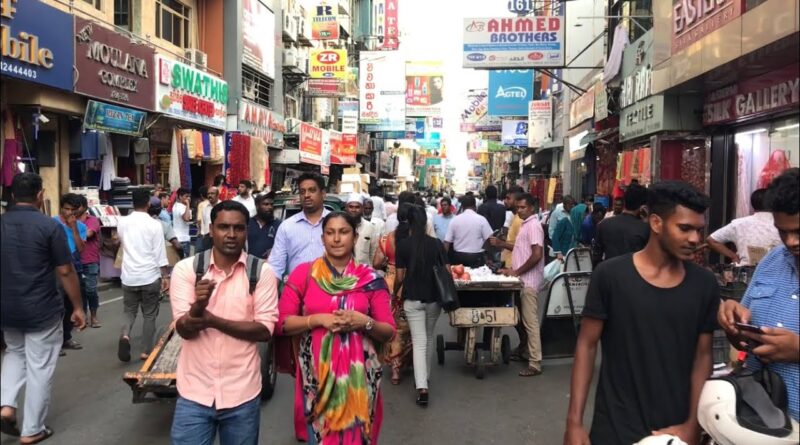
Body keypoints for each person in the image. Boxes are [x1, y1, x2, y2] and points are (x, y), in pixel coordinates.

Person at [564, 181, 720, 445]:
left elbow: (702, 357)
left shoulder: (705, 284)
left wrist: (692, 425)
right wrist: (574, 422)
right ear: (656, 223)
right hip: (614, 426)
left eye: (699, 230)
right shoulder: (610, 276)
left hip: (674, 432)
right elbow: (587, 345)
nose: (695, 239)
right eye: (684, 228)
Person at [277, 212, 396, 444]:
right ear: (322, 239)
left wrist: (364, 322)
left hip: (359, 381)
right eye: (330, 233)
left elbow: (388, 331)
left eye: (343, 232)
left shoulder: (370, 279)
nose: (336, 239)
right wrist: (317, 320)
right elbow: (281, 323)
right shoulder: (304, 274)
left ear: (355, 237)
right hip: (317, 378)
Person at [169, 200, 279, 445]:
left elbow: (264, 330)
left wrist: (211, 320)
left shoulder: (261, 272)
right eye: (224, 227)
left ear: (246, 231)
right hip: (194, 393)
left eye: (238, 228)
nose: (231, 235)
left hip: (242, 393)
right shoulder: (187, 270)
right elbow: (184, 330)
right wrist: (198, 306)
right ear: (211, 229)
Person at [1, 173, 87, 444]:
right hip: (41, 308)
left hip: (7, 308)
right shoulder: (49, 227)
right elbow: (65, 270)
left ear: (13, 195)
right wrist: (77, 307)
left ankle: (6, 406)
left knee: (15, 353)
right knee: (39, 366)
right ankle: (32, 430)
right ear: (40, 196)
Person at [717, 168, 799, 422]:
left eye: (799, 231)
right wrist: (734, 325)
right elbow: (744, 340)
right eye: (782, 232)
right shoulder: (772, 262)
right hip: (761, 418)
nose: (791, 241)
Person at [394, 205, 446, 405]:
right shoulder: (436, 244)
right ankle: (426, 377)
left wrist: (394, 292)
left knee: (419, 341)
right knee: (429, 337)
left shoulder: (404, 245)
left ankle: (422, 386)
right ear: (426, 223)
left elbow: (399, 276)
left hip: (412, 299)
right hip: (434, 299)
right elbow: (447, 270)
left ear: (408, 223)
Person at [117, 189, 170, 362]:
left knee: (129, 311)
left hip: (129, 275)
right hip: (149, 275)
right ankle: (146, 351)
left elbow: (123, 243)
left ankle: (125, 335)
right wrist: (166, 276)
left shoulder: (122, 222)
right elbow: (160, 253)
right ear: (148, 203)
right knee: (149, 314)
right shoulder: (154, 224)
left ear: (132, 203)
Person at [499, 194, 545, 377]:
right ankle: (525, 351)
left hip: (529, 281)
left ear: (532, 208)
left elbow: (537, 254)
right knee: (522, 319)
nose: (519, 210)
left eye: (523, 207)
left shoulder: (534, 226)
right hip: (521, 280)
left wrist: (517, 272)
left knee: (530, 322)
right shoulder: (526, 224)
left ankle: (535, 363)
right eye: (518, 207)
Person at [373, 204, 412, 386]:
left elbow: (376, 263)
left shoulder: (387, 239)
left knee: (393, 326)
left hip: (389, 286)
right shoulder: (415, 239)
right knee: (409, 327)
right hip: (412, 285)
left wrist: (388, 265)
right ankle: (407, 361)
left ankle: (395, 369)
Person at [269, 173, 330, 280]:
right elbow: (275, 267)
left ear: (323, 194)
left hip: (331, 291)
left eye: (312, 190)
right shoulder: (287, 227)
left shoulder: (335, 223)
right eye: (302, 191)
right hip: (296, 293)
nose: (306, 195)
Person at [706, 188, 782, 266]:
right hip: (777, 273)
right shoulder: (783, 225)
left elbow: (711, 240)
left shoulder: (738, 224)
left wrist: (733, 256)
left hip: (744, 273)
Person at [54, 193, 87, 352]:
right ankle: (55, 341)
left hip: (74, 267)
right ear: (62, 208)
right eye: (66, 209)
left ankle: (66, 337)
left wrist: (73, 228)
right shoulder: (52, 222)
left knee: (69, 305)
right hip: (56, 269)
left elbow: (81, 248)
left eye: (73, 210)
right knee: (57, 306)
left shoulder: (80, 226)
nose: (69, 213)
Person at [593, 183, 650, 264]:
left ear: (624, 201)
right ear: (643, 206)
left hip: (609, 273)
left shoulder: (604, 225)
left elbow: (596, 257)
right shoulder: (645, 229)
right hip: (633, 274)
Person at [444, 195, 493, 267]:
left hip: (458, 257)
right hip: (477, 258)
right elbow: (489, 239)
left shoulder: (455, 220)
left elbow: (447, 242)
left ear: (462, 207)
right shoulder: (481, 219)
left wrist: (444, 260)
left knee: (460, 277)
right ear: (475, 206)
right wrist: (489, 258)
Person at [77, 195, 102, 328]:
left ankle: (93, 316)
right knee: (80, 291)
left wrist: (72, 230)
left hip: (90, 260)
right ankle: (83, 316)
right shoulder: (70, 221)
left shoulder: (92, 220)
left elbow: (88, 234)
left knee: (90, 290)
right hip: (75, 260)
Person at [345, 194, 380, 266]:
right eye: (351, 207)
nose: (354, 210)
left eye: (357, 207)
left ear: (362, 208)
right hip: (344, 272)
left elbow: (373, 252)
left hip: (364, 271)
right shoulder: (340, 225)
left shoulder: (370, 227)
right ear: (346, 208)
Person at [148, 197, 183, 268]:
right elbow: (177, 245)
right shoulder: (163, 225)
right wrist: (182, 258)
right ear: (160, 210)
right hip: (159, 266)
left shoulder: (137, 224)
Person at [247, 192, 282, 260]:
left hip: (270, 267)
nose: (270, 207)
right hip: (249, 266)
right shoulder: (248, 223)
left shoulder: (279, 225)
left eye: (271, 204)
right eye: (266, 204)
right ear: (257, 206)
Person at [196, 186, 219, 253]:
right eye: (208, 194)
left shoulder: (223, 206)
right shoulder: (205, 208)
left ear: (217, 195)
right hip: (207, 237)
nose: (210, 195)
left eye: (212, 193)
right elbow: (203, 223)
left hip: (218, 237)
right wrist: (203, 234)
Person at [172, 188, 193, 259]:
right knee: (184, 263)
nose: (188, 198)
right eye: (186, 196)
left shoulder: (176, 205)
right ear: (180, 197)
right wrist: (188, 204)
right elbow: (186, 218)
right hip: (183, 239)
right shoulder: (181, 206)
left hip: (178, 238)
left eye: (189, 196)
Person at [195, 186, 211, 251]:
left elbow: (199, 219)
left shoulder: (201, 204)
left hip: (203, 233)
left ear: (201, 195)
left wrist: (199, 229)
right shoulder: (215, 203)